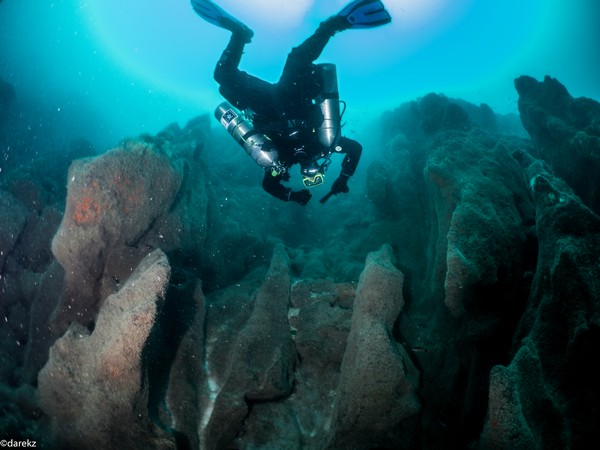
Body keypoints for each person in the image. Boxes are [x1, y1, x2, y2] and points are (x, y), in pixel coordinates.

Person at [191, 0, 391, 205]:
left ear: (301, 177)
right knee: (297, 60)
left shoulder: (283, 161)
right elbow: (355, 149)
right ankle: (334, 24)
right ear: (321, 168)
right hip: (293, 100)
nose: (311, 174)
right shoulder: (325, 145)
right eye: (316, 176)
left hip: (266, 106)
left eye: (309, 179)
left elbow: (269, 185)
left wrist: (292, 196)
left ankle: (240, 34)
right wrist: (344, 177)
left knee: (223, 75)